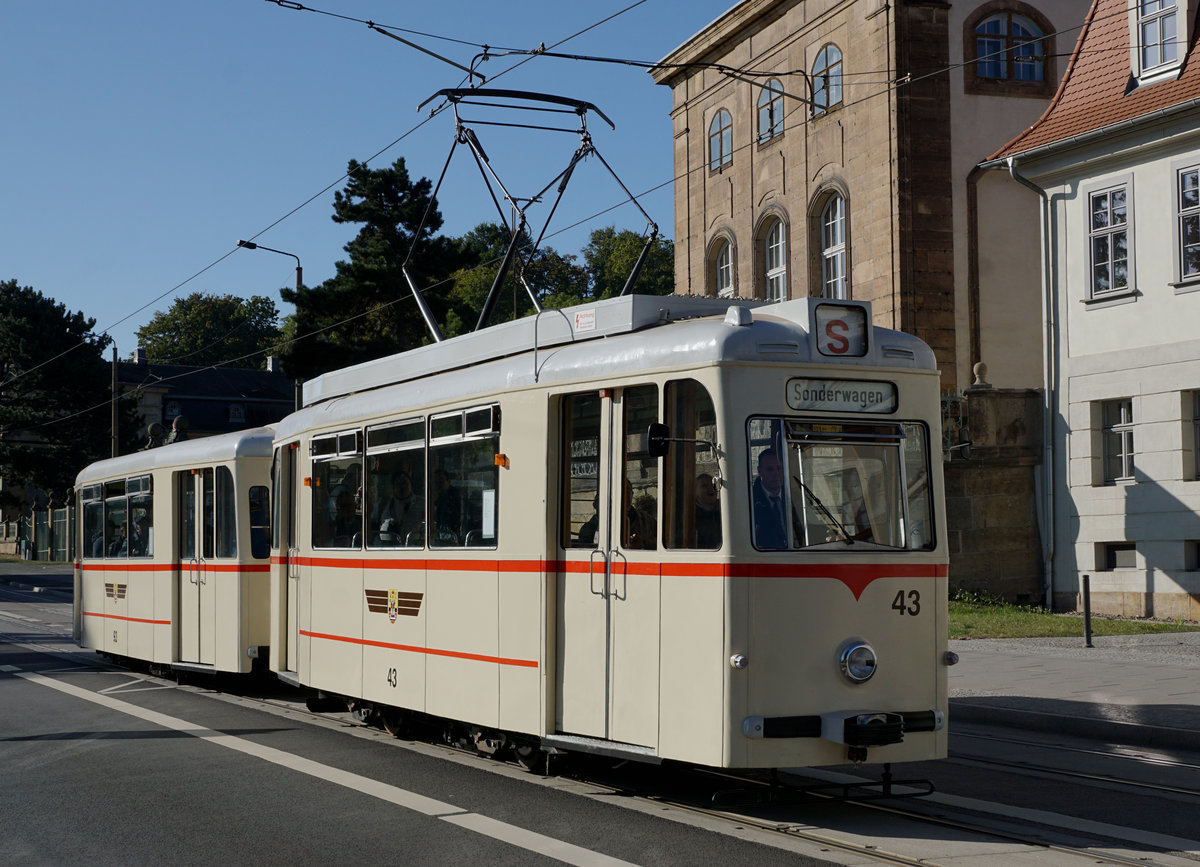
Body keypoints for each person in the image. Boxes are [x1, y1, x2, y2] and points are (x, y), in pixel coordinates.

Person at [752, 448, 789, 548]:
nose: (776, 474)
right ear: (760, 471)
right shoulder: (750, 501)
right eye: (770, 469)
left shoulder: (794, 496)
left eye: (778, 468)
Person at [375, 470, 424, 546]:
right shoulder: (383, 504)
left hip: (415, 548)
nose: (402, 487)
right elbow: (373, 524)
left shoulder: (422, 504)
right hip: (387, 549)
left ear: (411, 485)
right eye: (398, 484)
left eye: (405, 483)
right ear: (393, 486)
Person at [623, 478, 656, 550]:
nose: (625, 494)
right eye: (622, 490)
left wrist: (642, 544)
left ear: (632, 494)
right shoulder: (606, 522)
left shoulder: (647, 520)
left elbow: (659, 544)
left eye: (628, 490)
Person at [694, 473, 721, 548]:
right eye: (704, 486)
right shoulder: (691, 515)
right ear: (695, 492)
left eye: (713, 485)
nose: (711, 488)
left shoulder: (724, 512)